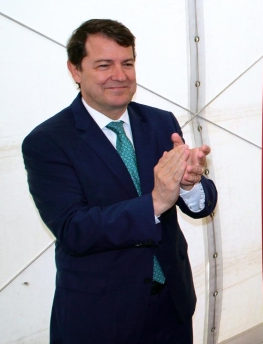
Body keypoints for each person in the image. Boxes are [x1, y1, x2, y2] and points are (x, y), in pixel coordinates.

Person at [22, 19, 217, 344]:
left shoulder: (160, 122)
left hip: (172, 307)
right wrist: (156, 202)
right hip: (101, 317)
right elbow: (73, 229)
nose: (120, 74)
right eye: (104, 65)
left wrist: (189, 184)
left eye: (127, 63)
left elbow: (201, 204)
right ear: (75, 70)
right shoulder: (48, 142)